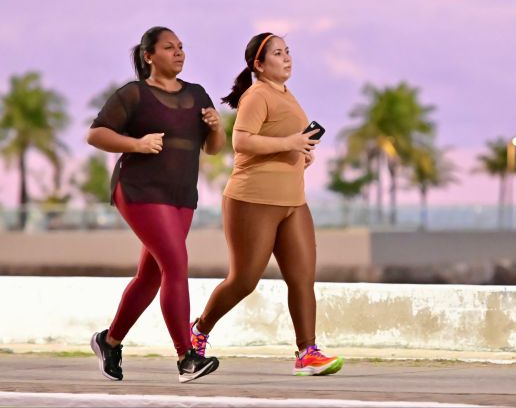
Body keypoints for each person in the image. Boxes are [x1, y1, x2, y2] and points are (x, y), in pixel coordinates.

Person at [190, 32, 343, 376]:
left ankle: (307, 352)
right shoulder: (257, 94)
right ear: (259, 64)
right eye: (277, 53)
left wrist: (300, 152)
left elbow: (277, 141)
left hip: (293, 201)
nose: (287, 57)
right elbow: (240, 140)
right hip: (253, 199)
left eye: (288, 51)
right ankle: (198, 331)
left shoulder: (286, 94)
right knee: (244, 280)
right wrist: (289, 141)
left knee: (302, 277)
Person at [87, 26, 223, 383]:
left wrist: (216, 127)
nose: (179, 52)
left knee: (151, 275)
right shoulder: (134, 94)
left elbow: (213, 148)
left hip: (180, 195)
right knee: (176, 264)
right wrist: (137, 144)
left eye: (181, 47)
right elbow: (96, 133)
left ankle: (110, 340)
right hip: (139, 189)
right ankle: (186, 358)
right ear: (149, 56)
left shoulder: (197, 94)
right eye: (169, 47)